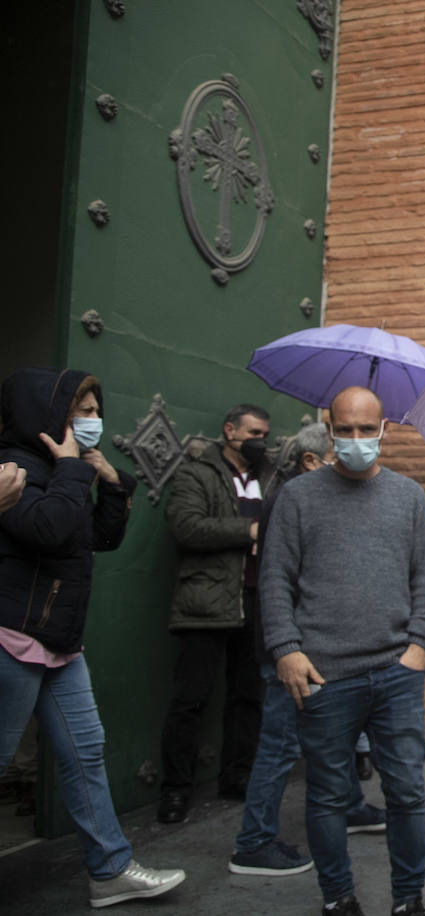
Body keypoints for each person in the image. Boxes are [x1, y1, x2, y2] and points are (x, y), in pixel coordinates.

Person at [0, 367, 185, 908]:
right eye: (79, 411)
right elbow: (50, 529)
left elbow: (99, 539)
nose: (91, 421)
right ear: (46, 417)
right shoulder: (12, 468)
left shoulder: (66, 469)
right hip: (14, 637)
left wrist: (108, 481)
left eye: (93, 409)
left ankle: (110, 870)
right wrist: (68, 470)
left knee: (85, 753)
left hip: (58, 641)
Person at [260, 387, 425, 916]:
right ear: (329, 429)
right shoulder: (298, 496)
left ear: (385, 429)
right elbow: (275, 579)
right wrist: (286, 649)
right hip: (323, 674)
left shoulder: (408, 496)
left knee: (406, 792)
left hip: (396, 671)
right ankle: (338, 899)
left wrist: (419, 645)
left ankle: (410, 901)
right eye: (347, 429)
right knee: (328, 795)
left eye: (367, 429)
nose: (357, 440)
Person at [229, 423, 386, 878]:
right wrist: (289, 649)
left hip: (320, 647)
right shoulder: (294, 500)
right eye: (338, 452)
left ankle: (351, 807)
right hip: (293, 650)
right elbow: (286, 583)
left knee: (334, 738)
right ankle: (252, 843)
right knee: (279, 745)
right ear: (311, 461)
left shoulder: (311, 498)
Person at [157, 403, 273, 823]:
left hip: (255, 601)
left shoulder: (267, 478)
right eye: (254, 432)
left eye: (266, 433)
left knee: (247, 696)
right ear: (230, 431)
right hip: (206, 601)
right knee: (191, 699)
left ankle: (237, 776)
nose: (261, 440)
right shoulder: (197, 474)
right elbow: (186, 526)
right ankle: (175, 790)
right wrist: (248, 530)